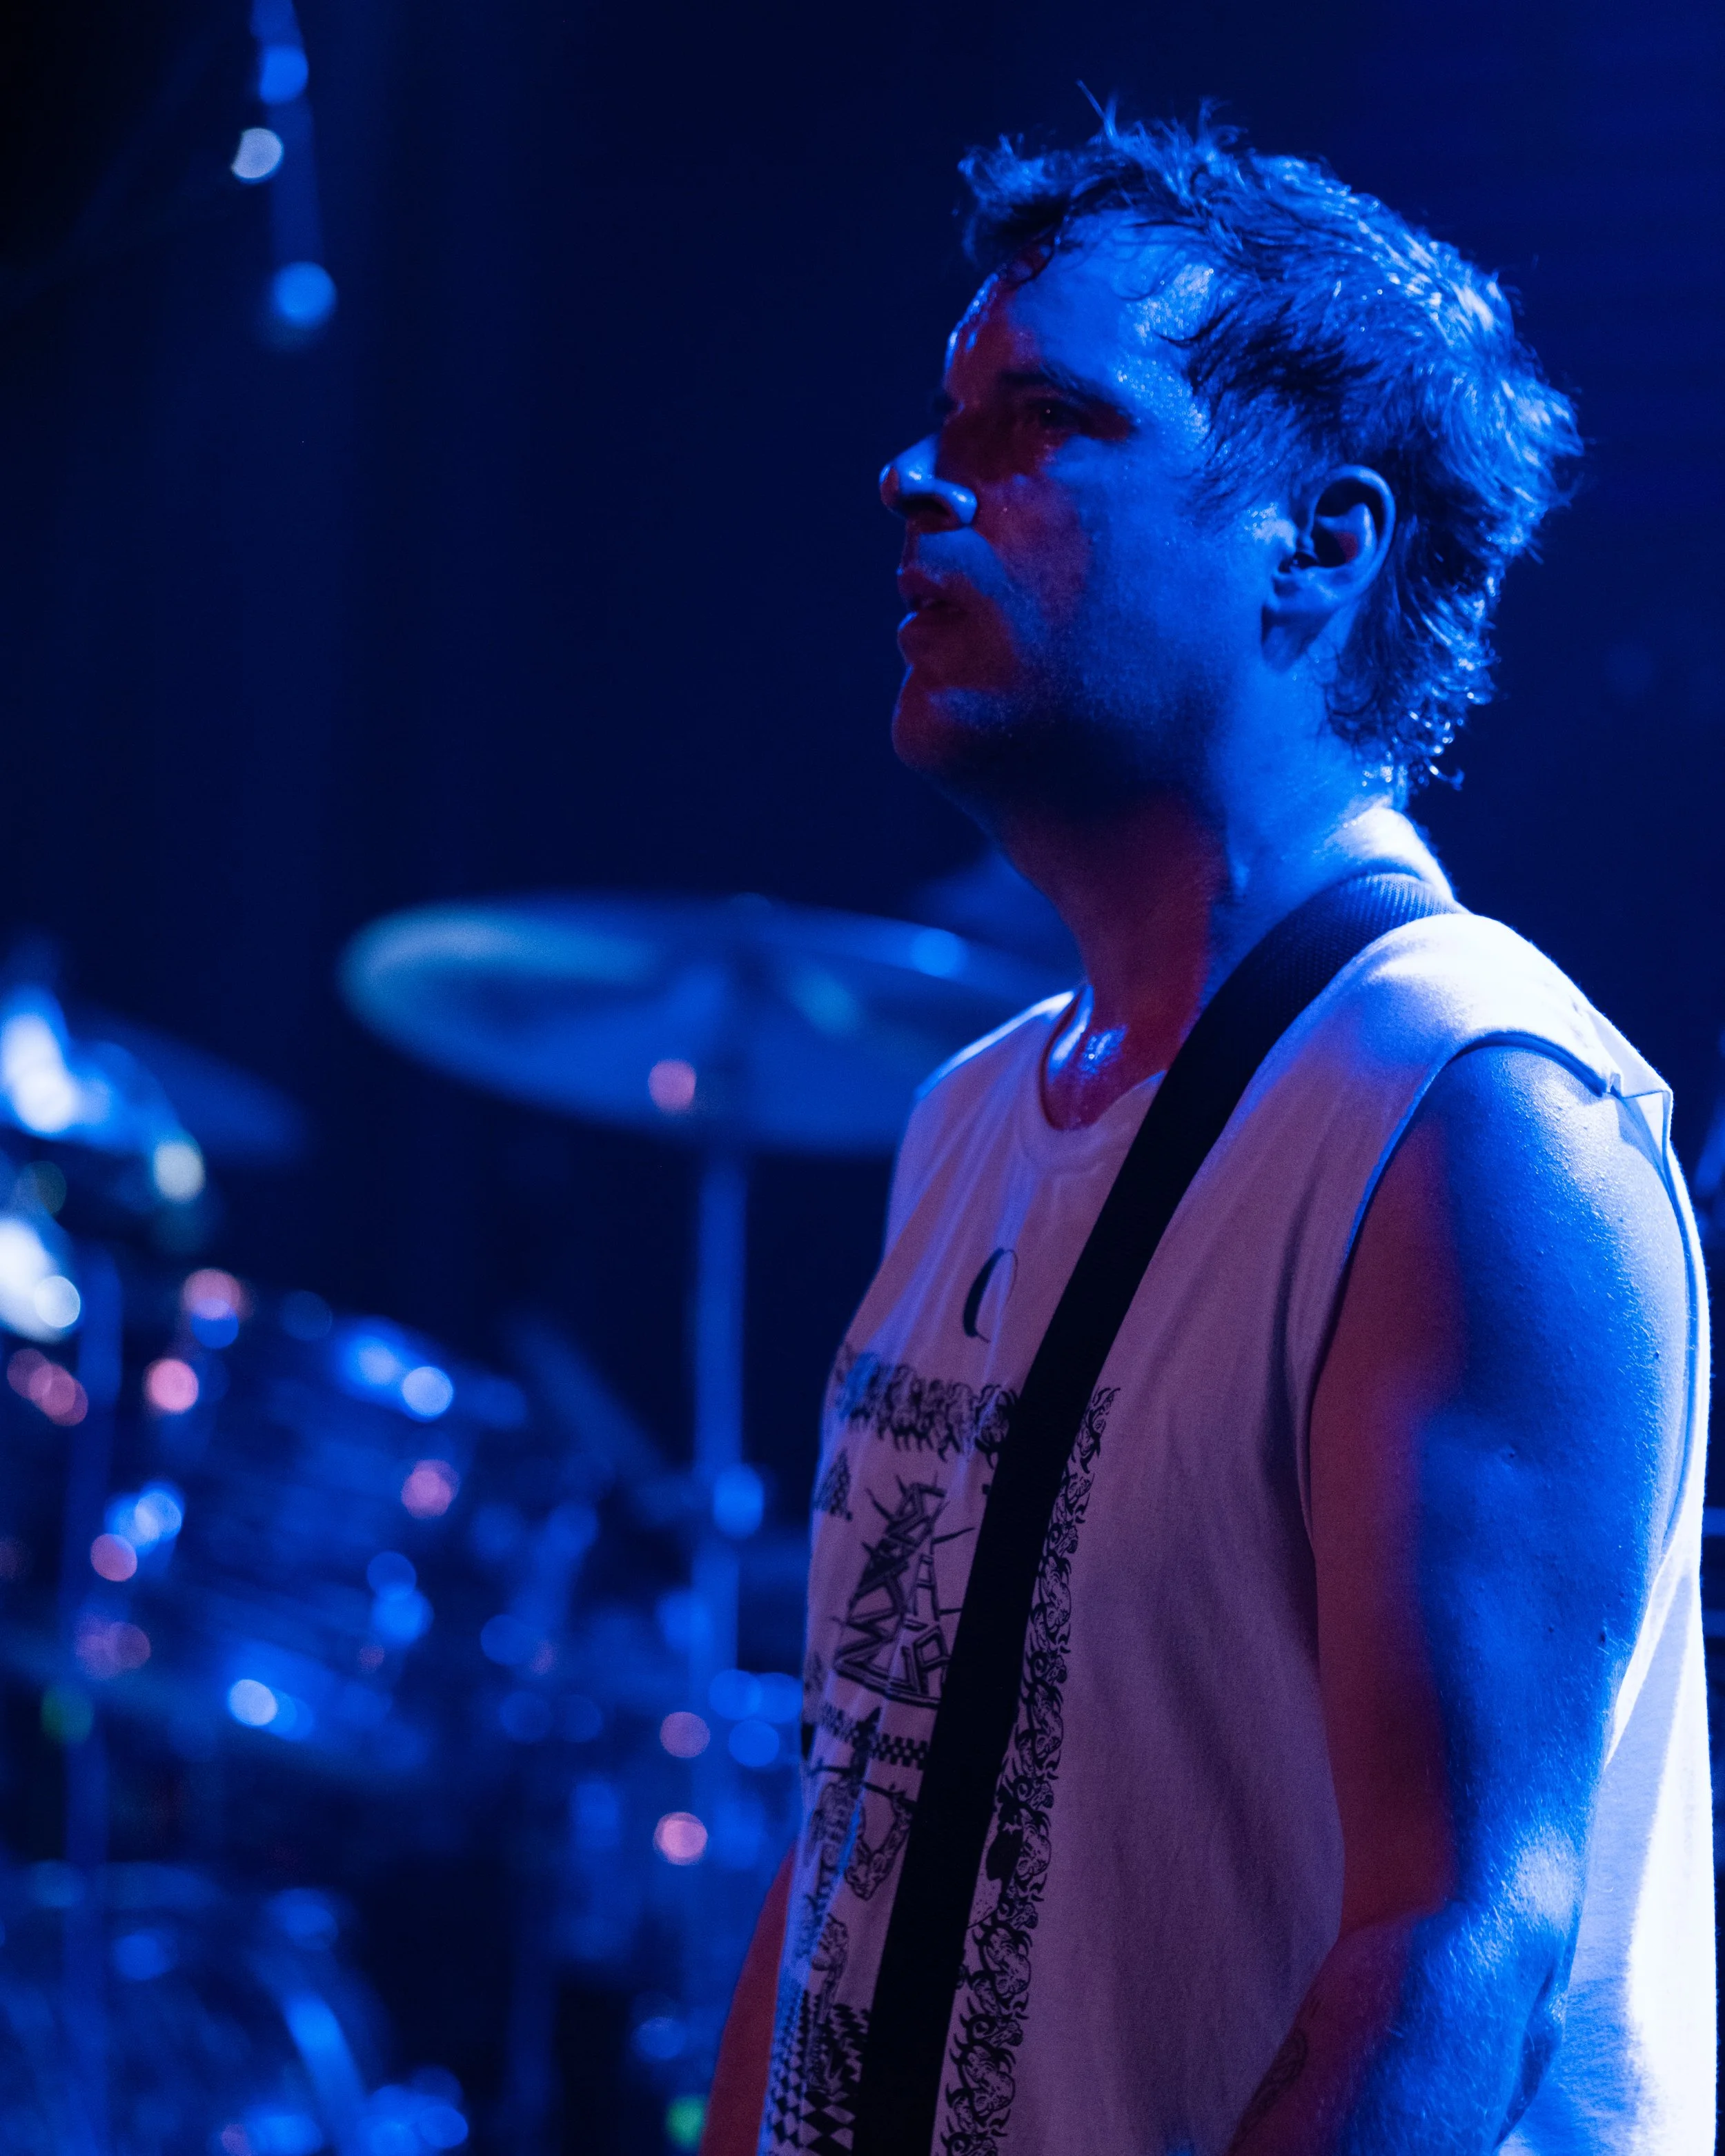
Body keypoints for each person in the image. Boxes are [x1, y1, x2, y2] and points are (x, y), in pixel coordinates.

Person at [702, 114, 1712, 2155]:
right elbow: (850, 1835)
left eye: (1039, 420)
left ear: (1317, 546)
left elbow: (1453, 1961)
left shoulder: (1472, 1112)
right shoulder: (971, 1115)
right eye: (941, 414)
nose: (916, 478)